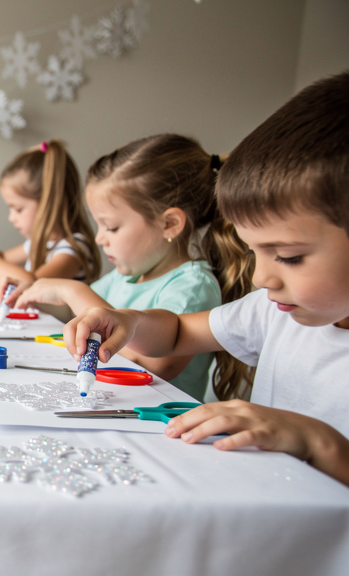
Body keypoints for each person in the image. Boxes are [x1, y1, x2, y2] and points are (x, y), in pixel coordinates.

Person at [64, 72, 349, 486]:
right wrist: (131, 323)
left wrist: (318, 443)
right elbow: (179, 332)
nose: (261, 276)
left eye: (289, 256)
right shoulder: (274, 311)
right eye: (255, 252)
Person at [0, 135, 252, 401]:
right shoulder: (123, 278)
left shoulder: (193, 286)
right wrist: (33, 294)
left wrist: (73, 291)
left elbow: (156, 364)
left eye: (112, 227)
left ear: (169, 224)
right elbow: (73, 315)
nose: (99, 238)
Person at [0, 140, 99, 284]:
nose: (11, 218)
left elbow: (31, 283)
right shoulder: (39, 244)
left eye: (18, 209)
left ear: (48, 204)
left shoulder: (74, 248)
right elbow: (3, 258)